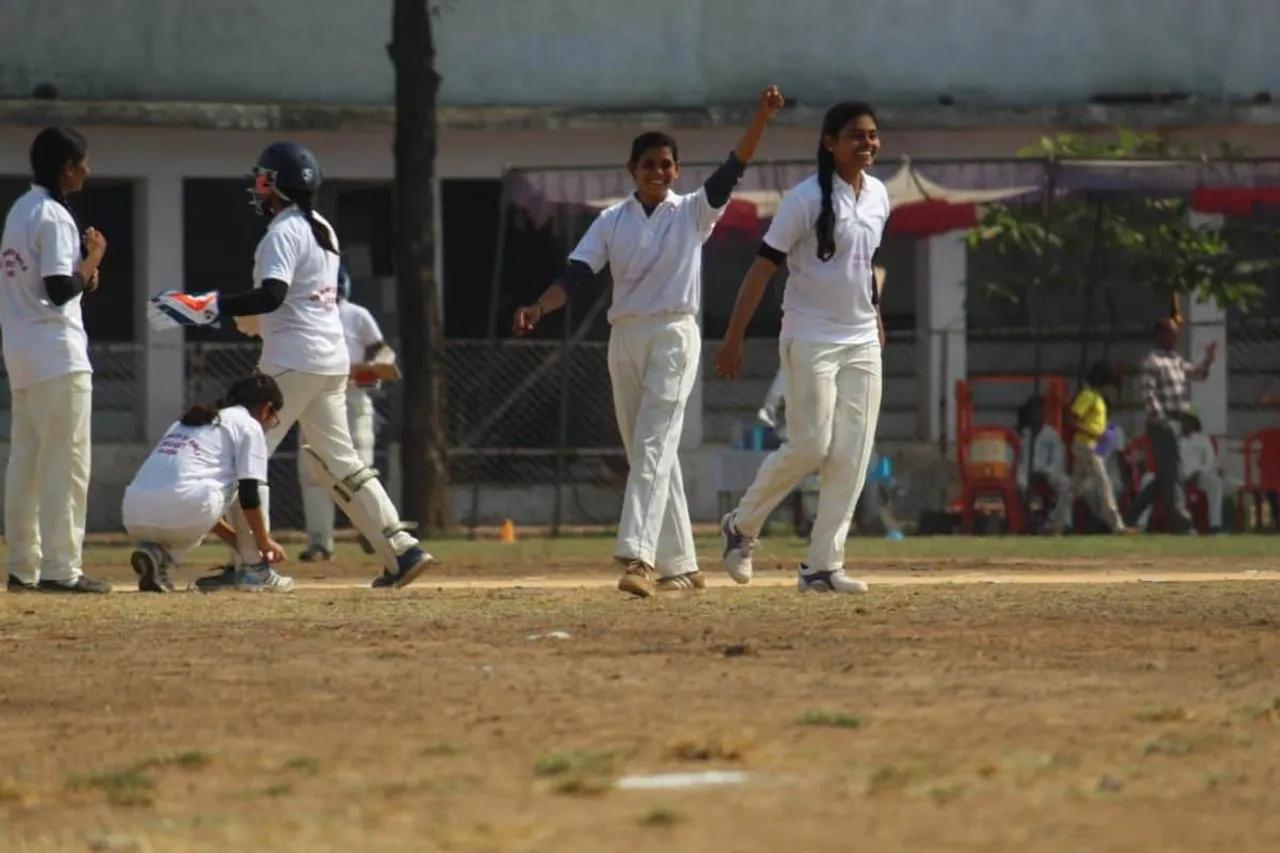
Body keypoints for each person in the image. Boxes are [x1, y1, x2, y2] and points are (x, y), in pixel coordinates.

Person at [513, 87, 785, 598]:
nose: (658, 172)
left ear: (677, 171)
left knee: (653, 446)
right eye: (649, 165)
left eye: (666, 165)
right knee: (646, 452)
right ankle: (682, 566)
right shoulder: (611, 221)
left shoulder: (692, 213)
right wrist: (537, 307)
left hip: (673, 335)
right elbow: (574, 276)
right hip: (625, 339)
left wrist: (761, 117)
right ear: (632, 169)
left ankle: (635, 556)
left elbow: (735, 166)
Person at [145, 141, 432, 590]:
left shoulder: (283, 232)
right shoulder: (324, 229)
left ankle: (237, 564)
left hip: (291, 364)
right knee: (340, 462)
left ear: (275, 185)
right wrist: (255, 320)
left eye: (263, 181)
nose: (258, 190)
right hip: (329, 360)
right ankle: (400, 549)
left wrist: (209, 307)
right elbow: (297, 302)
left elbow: (274, 295)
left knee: (242, 456)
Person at [714, 100, 891, 595]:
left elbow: (865, 264)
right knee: (811, 444)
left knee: (852, 454)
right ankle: (741, 525)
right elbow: (762, 267)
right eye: (856, 135)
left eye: (873, 135)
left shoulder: (878, 195)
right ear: (830, 143)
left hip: (860, 340)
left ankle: (821, 567)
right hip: (810, 334)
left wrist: (876, 318)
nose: (868, 143)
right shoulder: (805, 198)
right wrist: (734, 337)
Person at [1, 127, 111, 594]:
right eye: (82, 162)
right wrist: (92, 260)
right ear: (68, 166)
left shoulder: (21, 210)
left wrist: (82, 276)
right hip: (57, 355)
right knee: (66, 464)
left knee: (25, 463)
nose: (87, 169)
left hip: (22, 355)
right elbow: (57, 289)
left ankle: (23, 565)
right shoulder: (54, 215)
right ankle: (62, 569)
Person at [123, 374, 289, 592]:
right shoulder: (249, 425)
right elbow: (248, 494)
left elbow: (194, 499)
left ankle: (159, 554)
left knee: (196, 493)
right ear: (266, 409)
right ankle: (256, 570)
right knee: (248, 480)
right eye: (273, 420)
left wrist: (241, 543)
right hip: (186, 505)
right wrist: (264, 542)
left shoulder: (189, 422)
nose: (269, 426)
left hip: (134, 513)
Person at [297, 263, 392, 561]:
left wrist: (370, 368)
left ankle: (371, 529)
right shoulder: (305, 316)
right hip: (316, 400)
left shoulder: (356, 314)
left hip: (353, 400)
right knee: (314, 472)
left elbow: (383, 352)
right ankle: (320, 542)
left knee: (360, 467)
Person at [1125, 318, 1217, 533]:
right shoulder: (1152, 360)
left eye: (1176, 333)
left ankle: (1131, 516)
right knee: (1174, 472)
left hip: (1178, 419)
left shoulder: (1175, 359)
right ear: (1158, 336)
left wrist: (1208, 360)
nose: (1175, 337)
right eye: (1170, 333)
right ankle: (1182, 524)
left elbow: (1198, 374)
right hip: (1163, 421)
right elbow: (1148, 394)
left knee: (1166, 474)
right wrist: (1162, 419)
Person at [1048, 362, 1130, 534]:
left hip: (1090, 445)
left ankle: (1054, 523)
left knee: (1073, 489)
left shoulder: (1097, 397)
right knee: (1104, 484)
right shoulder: (1087, 395)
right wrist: (1093, 433)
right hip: (1087, 444)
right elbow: (1071, 419)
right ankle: (1117, 526)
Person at [1136, 411, 1231, 533]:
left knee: (1215, 483)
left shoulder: (1203, 440)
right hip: (1171, 475)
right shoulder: (1171, 437)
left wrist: (1199, 472)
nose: (1184, 424)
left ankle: (1215, 526)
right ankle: (1141, 524)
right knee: (1147, 479)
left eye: (1187, 421)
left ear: (1194, 423)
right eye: (1182, 421)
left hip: (1196, 476)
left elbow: (1210, 461)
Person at [1014, 395, 1070, 527]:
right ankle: (1026, 520)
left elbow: (1058, 460)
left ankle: (1059, 522)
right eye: (1035, 412)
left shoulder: (1052, 434)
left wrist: (1045, 473)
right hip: (1025, 473)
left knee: (1067, 484)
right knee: (1018, 484)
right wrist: (1028, 473)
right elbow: (1017, 460)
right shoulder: (1022, 435)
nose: (1038, 416)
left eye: (1041, 412)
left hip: (1048, 473)